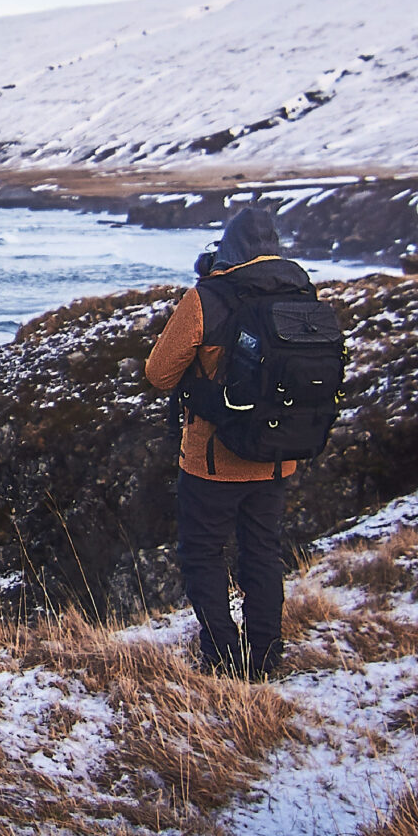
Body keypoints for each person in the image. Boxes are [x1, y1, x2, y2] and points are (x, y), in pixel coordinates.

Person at [143, 203, 313, 678]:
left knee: (202, 553)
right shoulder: (301, 290)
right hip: (279, 454)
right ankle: (264, 655)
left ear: (229, 248)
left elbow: (158, 374)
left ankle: (220, 652)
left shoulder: (208, 297)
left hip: (213, 460)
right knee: (262, 551)